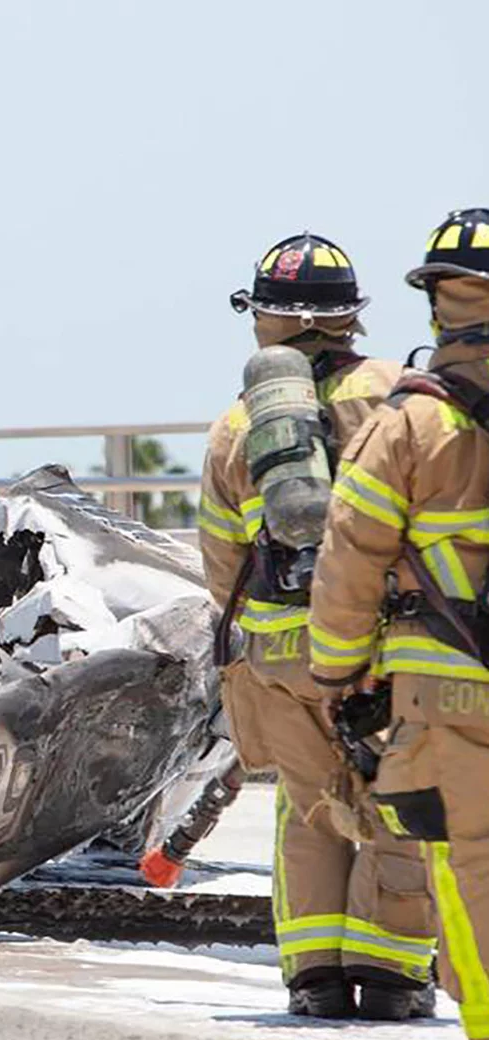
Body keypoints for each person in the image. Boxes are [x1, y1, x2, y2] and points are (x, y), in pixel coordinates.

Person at [201, 233, 436, 1019]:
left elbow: (220, 567)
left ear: (262, 318)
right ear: (353, 317)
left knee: (309, 810)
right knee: (397, 802)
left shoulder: (238, 427)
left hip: (278, 660)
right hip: (380, 646)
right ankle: (394, 979)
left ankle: (316, 980)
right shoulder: (400, 395)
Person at [310, 208, 489, 1040]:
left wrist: (338, 677)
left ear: (434, 306)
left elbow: (350, 558)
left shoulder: (411, 421)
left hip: (450, 700)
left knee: (469, 875)